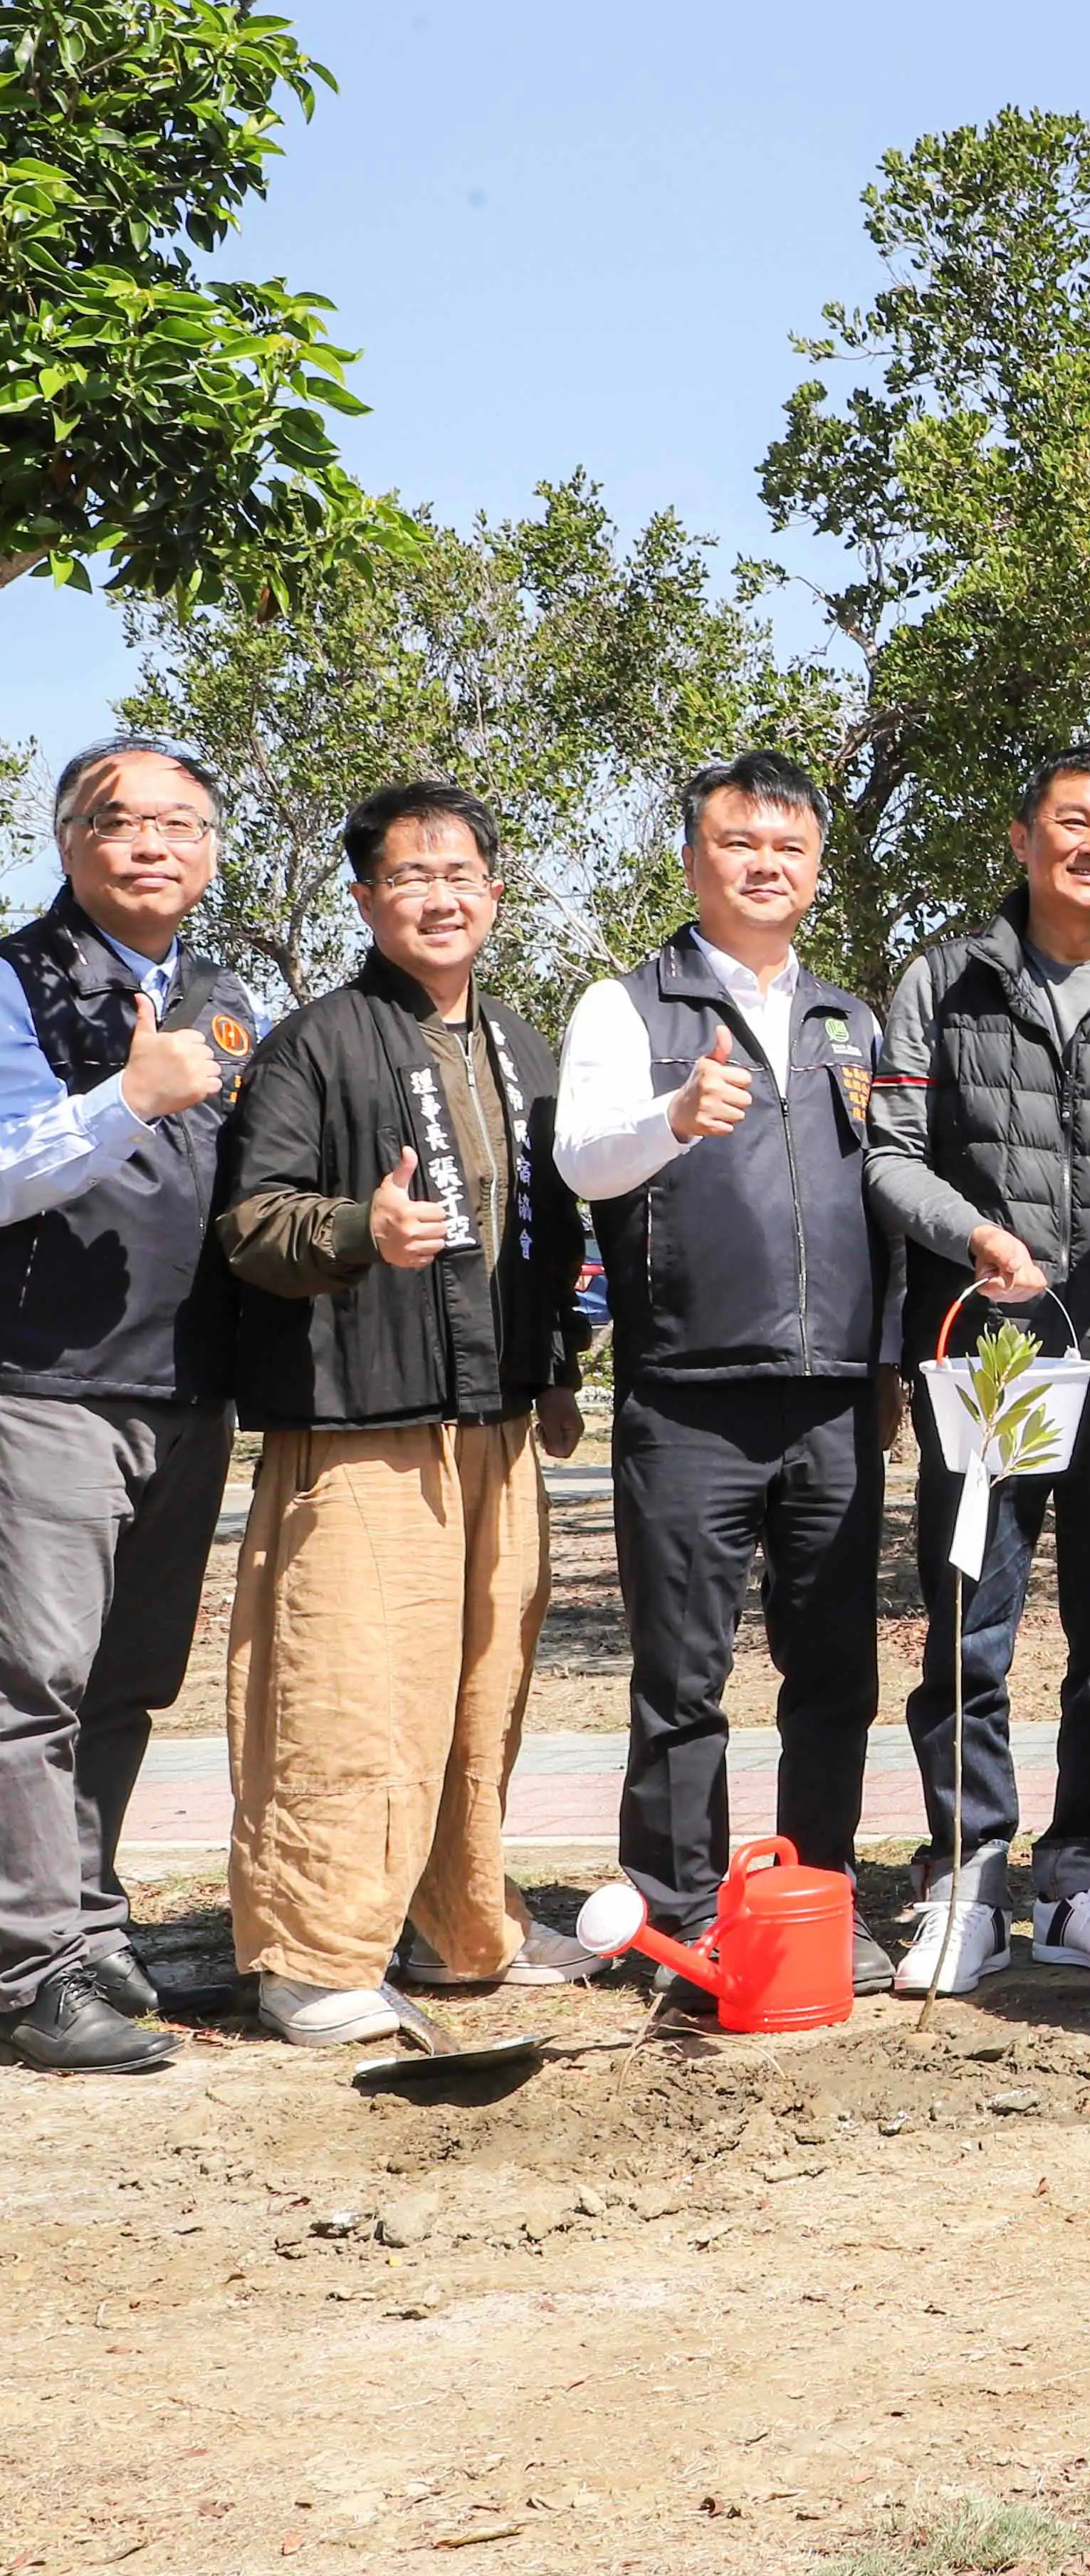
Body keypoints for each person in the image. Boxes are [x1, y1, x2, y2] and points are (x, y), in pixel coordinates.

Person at [214, 780, 593, 2046]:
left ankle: (460, 1930)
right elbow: (252, 1225)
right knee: (348, 1689)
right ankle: (311, 1957)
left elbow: (549, 1234)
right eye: (408, 875)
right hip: (363, 1419)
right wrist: (355, 1230)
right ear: (367, 898)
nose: (439, 893)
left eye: (461, 871)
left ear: (496, 889)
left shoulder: (523, 1045)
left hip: (491, 1420)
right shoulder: (314, 1042)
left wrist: (556, 1376)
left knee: (483, 1689)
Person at [865, 745, 1090, 1993]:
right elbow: (891, 1153)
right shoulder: (943, 979)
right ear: (1021, 839)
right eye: (1069, 821)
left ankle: (1086, 1871)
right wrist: (968, 1232)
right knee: (971, 1618)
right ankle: (966, 1869)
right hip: (995, 1354)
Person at [555, 753, 895, 1996]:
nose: (767, 865)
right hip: (688, 1397)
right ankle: (680, 1911)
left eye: (790, 847)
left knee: (834, 1673)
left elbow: (887, 1192)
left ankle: (820, 1895)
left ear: (816, 869)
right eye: (740, 842)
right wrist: (673, 1118)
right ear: (694, 860)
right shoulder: (628, 1006)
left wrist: (893, 1362)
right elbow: (585, 1161)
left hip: (836, 1398)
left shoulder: (854, 1021)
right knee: (681, 1675)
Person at [0, 738, 261, 2072]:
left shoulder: (223, 999)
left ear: (212, 849)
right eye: (122, 820)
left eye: (181, 822)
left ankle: (90, 1924)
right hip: (44, 1385)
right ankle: (28, 1974)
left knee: (125, 1678)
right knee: (29, 1684)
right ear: (68, 842)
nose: (153, 842)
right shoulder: (13, 976)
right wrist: (123, 1097)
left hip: (187, 1386)